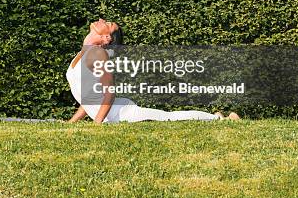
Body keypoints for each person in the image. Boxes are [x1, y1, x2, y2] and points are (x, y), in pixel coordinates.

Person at [66, 19, 241, 124]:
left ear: (107, 38)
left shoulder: (98, 54)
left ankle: (220, 119)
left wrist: (97, 124)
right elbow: (88, 97)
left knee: (168, 118)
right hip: (112, 113)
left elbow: (109, 92)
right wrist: (72, 122)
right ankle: (215, 117)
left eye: (108, 24)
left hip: (121, 114)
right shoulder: (84, 53)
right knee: (167, 117)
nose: (101, 19)